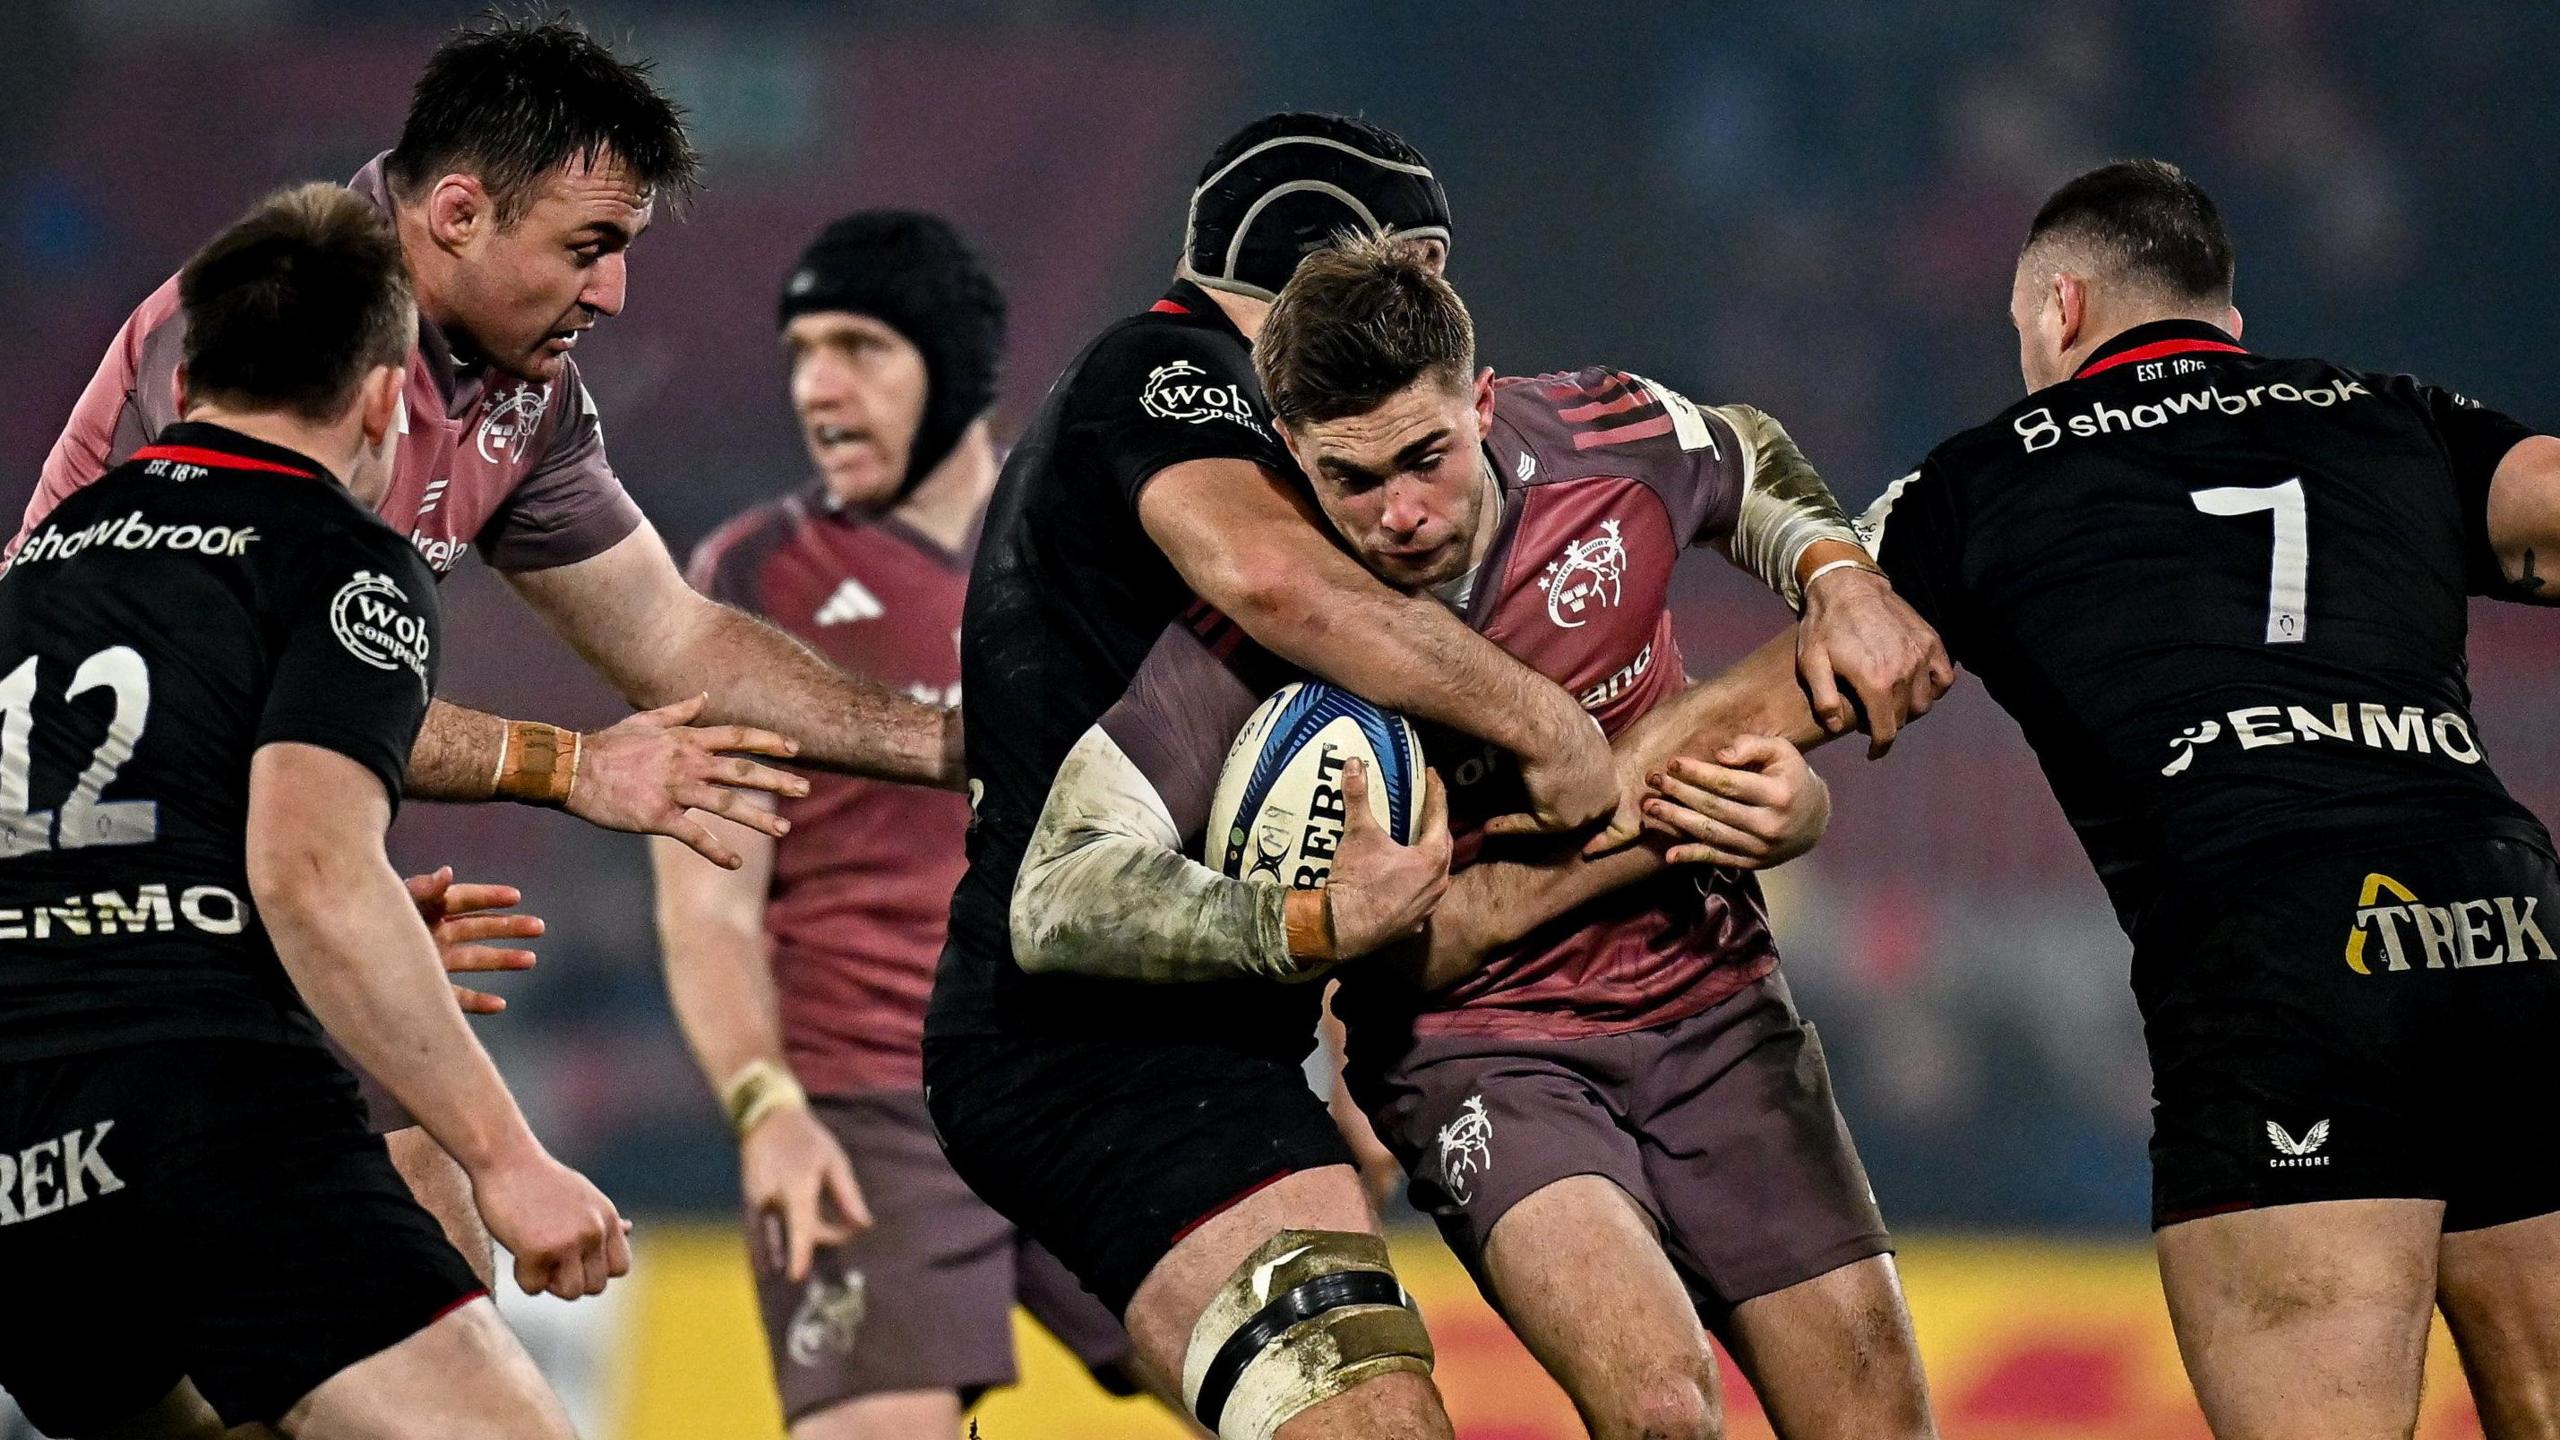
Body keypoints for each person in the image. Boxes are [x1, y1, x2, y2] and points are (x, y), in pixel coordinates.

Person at [30, 12, 962, 1284]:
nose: (615, 291)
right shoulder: (261, 333)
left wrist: (954, 740)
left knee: (401, 1243)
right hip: (95, 939)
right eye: (588, 247)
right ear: (458, 213)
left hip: (223, 908)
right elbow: (226, 686)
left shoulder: (522, 391)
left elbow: (672, 637)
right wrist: (564, 767)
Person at [1668, 158, 2560, 1438]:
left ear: (2060, 309)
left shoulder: (1982, 478)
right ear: (2228, 327)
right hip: (2506, 918)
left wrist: (1560, 794)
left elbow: (1784, 698)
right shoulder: (2390, 413)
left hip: (2282, 949)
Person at [1006, 230, 1945, 1440]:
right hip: (1473, 1047)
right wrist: (1301, 923)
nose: (1399, 513)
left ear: (1482, 398)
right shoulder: (1253, 623)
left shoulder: (1606, 441)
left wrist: (1836, 574)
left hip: (1710, 990)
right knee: (1664, 1408)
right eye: (1351, 479)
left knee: (1876, 1417)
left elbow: (1746, 452)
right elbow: (1056, 893)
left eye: (1426, 457)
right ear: (1289, 454)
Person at [0, 183, 622, 1440]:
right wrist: (510, 1160)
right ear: (386, 397)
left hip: (21, 1176)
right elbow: (314, 874)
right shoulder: (337, 558)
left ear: (181, 388)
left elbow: (109, 871)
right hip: (211, 1127)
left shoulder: (30, 576)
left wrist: (280, 946)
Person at [654, 211, 1179, 1438]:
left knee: (1324, 1408)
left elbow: (1237, 819)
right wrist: (762, 1104)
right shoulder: (747, 583)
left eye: (857, 346)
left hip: (1109, 1083)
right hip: (871, 1113)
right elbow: (708, 903)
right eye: (798, 352)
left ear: (953, 365)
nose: (815, 387)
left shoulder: (1106, 554)